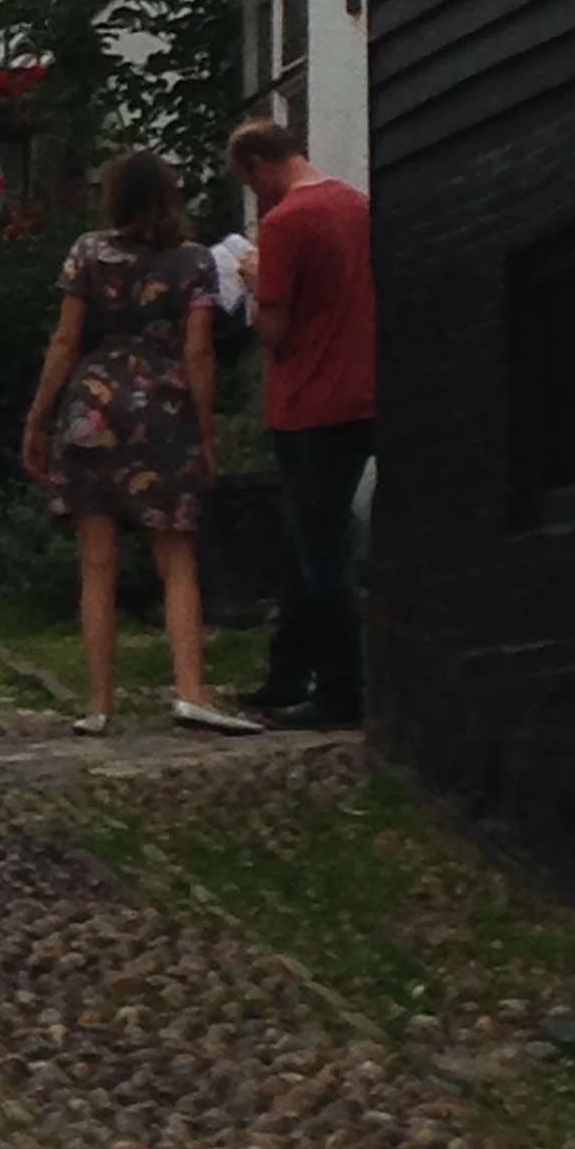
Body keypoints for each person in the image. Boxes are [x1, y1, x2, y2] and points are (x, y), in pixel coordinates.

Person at [23, 152, 263, 740]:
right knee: (177, 560)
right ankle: (191, 693)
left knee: (96, 564)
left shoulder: (87, 252)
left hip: (94, 409)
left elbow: (65, 340)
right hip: (164, 409)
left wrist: (38, 418)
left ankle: (99, 705)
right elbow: (199, 352)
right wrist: (205, 434)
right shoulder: (195, 262)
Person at [228, 115, 376, 727]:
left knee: (321, 552)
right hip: (363, 390)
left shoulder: (285, 222)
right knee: (303, 542)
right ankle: (286, 672)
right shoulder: (356, 205)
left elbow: (274, 328)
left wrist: (253, 281)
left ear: (260, 165)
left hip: (308, 399)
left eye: (250, 182)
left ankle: (342, 690)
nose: (255, 195)